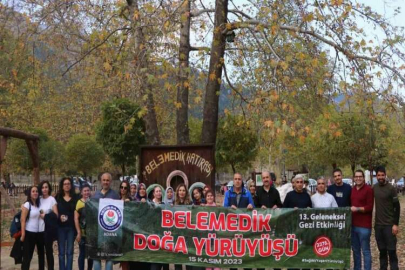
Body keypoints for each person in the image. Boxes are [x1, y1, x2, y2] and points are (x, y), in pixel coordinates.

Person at [223, 173, 254, 270]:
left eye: (239, 179)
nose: (237, 181)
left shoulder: (247, 193)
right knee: (233, 254)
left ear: (242, 181)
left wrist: (251, 206)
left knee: (246, 253)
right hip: (232, 227)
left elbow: (253, 207)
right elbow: (224, 208)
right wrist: (229, 208)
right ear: (233, 180)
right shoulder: (228, 193)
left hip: (245, 227)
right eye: (235, 179)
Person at [373, 166, 400, 270]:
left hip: (389, 225)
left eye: (382, 175)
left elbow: (397, 207)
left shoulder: (391, 189)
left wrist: (395, 224)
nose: (380, 177)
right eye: (378, 175)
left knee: (392, 251)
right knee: (382, 251)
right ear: (376, 176)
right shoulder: (374, 188)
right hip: (378, 226)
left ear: (385, 175)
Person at [93, 173, 119, 270]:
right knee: (96, 255)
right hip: (97, 231)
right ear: (101, 181)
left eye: (107, 180)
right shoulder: (95, 195)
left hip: (110, 231)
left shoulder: (115, 195)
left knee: (109, 256)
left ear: (110, 182)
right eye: (104, 180)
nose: (105, 182)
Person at [351, 170, 374, 270]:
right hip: (353, 225)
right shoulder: (352, 190)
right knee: (355, 251)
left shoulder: (368, 190)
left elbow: (369, 207)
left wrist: (357, 208)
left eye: (360, 176)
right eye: (356, 176)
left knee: (365, 251)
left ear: (364, 178)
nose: (358, 178)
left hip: (364, 226)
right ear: (354, 178)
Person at [56, 177, 78, 270]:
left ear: (71, 185)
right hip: (60, 228)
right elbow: (53, 211)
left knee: (69, 252)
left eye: (68, 183)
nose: (67, 185)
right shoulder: (57, 198)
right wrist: (59, 216)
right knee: (61, 252)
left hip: (71, 228)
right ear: (62, 186)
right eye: (65, 184)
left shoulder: (76, 198)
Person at [21, 185, 44, 270]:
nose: (35, 193)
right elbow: (23, 219)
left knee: (41, 255)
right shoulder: (27, 204)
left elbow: (42, 214)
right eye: (33, 191)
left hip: (38, 233)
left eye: (37, 191)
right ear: (30, 193)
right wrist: (23, 234)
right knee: (28, 256)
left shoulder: (38, 204)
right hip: (29, 233)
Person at [38, 180, 58, 270]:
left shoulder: (52, 199)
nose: (44, 189)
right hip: (38, 229)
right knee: (40, 252)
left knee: (49, 252)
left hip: (48, 230)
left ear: (49, 188)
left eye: (46, 187)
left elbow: (56, 215)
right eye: (42, 187)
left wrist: (46, 216)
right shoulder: (38, 199)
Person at [74, 184, 93, 270]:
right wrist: (78, 232)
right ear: (81, 192)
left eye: (88, 190)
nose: (86, 192)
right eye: (84, 191)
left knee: (90, 254)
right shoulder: (79, 203)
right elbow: (76, 219)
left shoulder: (93, 202)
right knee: (82, 254)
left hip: (91, 233)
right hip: (82, 233)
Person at [150, 186, 169, 270]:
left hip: (163, 236)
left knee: (165, 264)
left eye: (160, 191)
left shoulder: (164, 205)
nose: (158, 193)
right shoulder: (149, 204)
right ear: (154, 193)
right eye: (156, 191)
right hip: (153, 237)